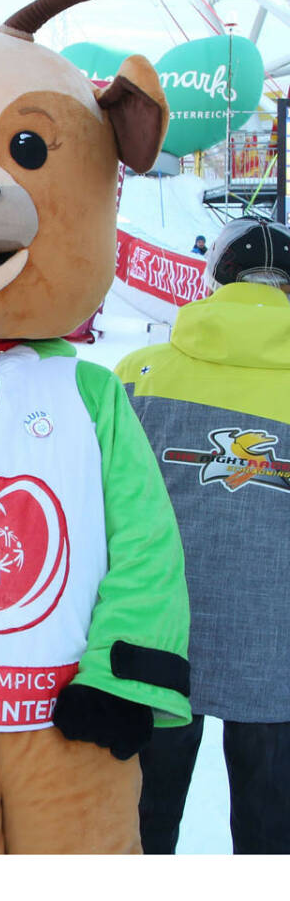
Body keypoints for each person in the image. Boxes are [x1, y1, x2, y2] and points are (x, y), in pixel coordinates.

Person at [116, 217, 290, 854]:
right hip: (280, 656)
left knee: (142, 837)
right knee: (275, 850)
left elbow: (101, 514)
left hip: (157, 644)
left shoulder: (138, 375)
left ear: (212, 278)